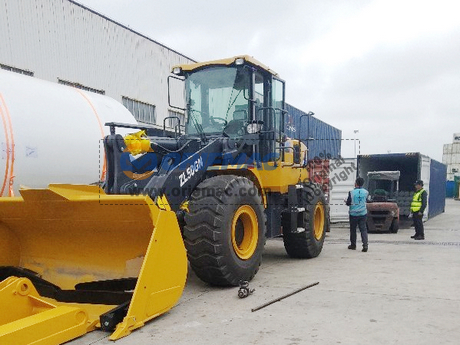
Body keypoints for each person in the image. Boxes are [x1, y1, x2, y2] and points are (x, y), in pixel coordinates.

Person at [346, 177, 369, 252]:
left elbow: (348, 203)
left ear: (356, 183)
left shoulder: (351, 192)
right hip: (363, 213)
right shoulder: (366, 192)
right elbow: (367, 200)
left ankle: (353, 245)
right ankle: (365, 245)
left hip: (353, 214)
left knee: (353, 230)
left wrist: (346, 202)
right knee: (363, 229)